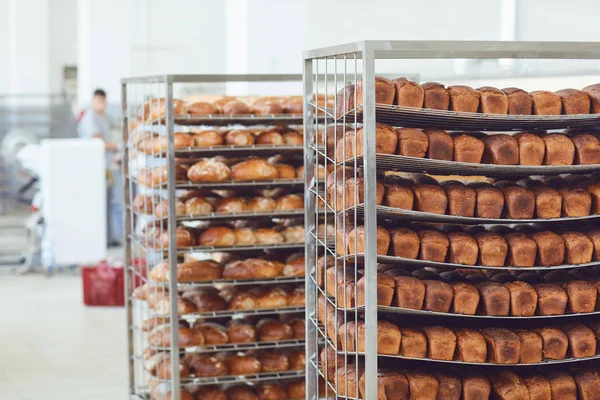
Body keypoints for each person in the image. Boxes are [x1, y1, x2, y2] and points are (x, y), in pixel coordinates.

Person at [78, 89, 123, 246]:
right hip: (96, 168)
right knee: (101, 204)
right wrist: (118, 146)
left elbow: (117, 124)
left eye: (103, 102)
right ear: (93, 101)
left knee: (114, 202)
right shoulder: (90, 118)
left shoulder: (104, 116)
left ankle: (112, 238)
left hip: (109, 166)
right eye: (98, 101)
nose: (101, 104)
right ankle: (101, 240)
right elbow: (98, 143)